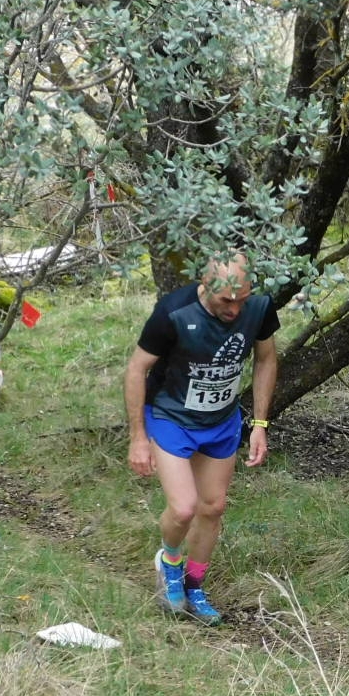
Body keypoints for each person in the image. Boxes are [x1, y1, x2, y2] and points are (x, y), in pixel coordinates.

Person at [124, 253, 279, 623]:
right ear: (205, 285)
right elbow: (136, 369)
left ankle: (194, 585)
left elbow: (266, 359)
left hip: (221, 421)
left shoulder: (259, 308)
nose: (235, 309)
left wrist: (260, 424)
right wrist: (138, 437)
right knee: (183, 508)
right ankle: (169, 561)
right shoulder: (173, 312)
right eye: (226, 300)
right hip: (171, 416)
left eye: (242, 299)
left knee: (213, 507)